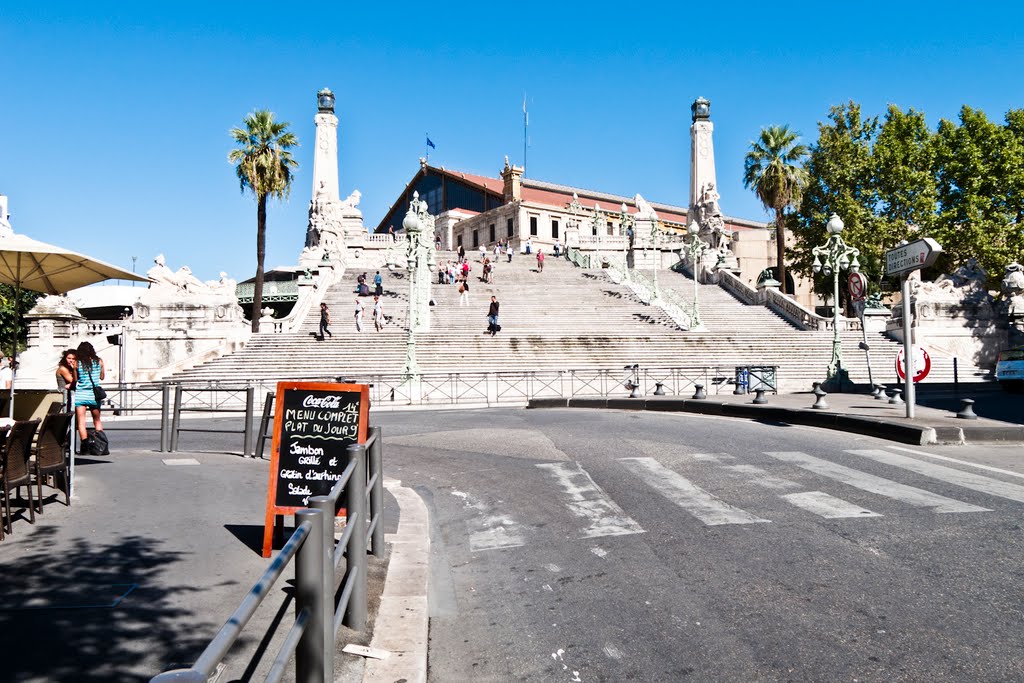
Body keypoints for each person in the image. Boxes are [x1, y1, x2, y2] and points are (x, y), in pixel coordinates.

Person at [74, 341, 105, 452]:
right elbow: (102, 377)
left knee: (81, 422)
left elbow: (76, 379)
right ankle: (101, 445)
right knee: (97, 420)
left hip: (81, 395)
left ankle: (85, 447)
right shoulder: (99, 361)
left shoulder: (77, 363)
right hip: (94, 396)